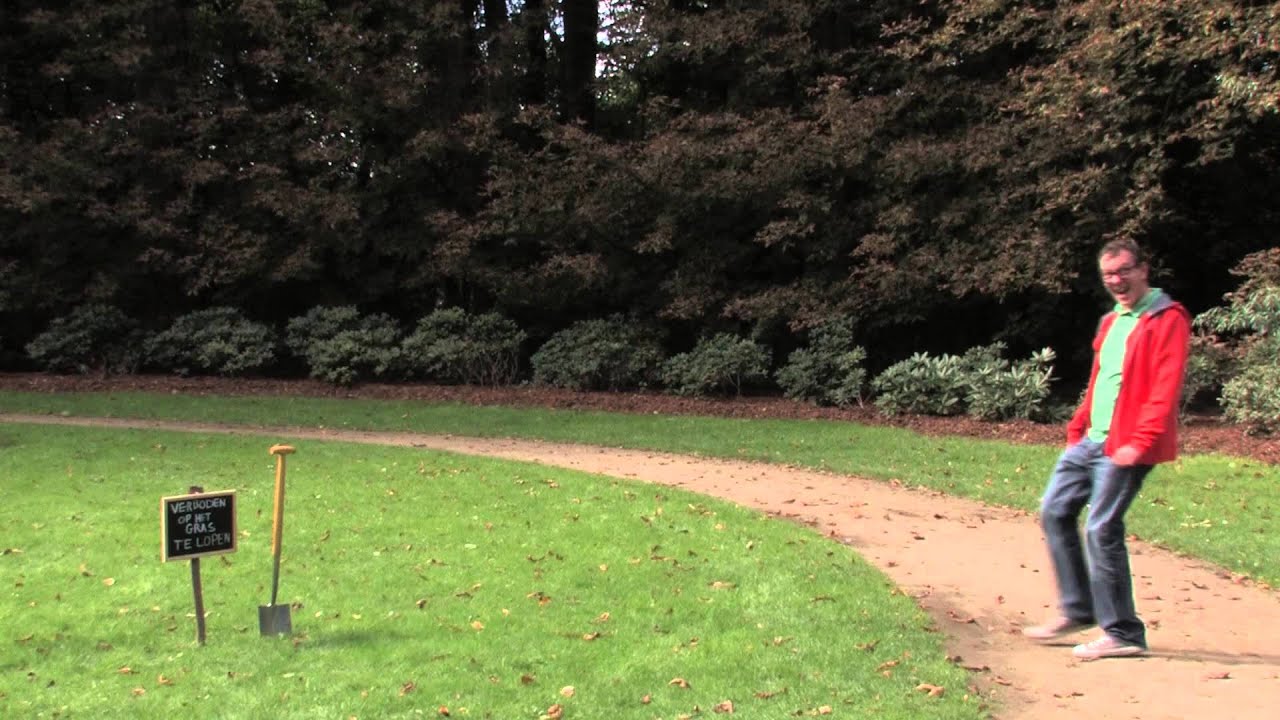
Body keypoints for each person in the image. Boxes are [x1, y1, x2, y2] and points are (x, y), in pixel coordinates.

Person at [1022, 237, 1190, 660]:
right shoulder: (1112, 321)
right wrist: (1078, 425)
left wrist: (1141, 441)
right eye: (1109, 274)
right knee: (1055, 510)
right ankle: (1078, 609)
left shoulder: (1166, 319)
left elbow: (1163, 389)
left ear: (1143, 269)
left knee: (1101, 528)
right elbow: (1102, 380)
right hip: (1091, 439)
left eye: (1124, 271)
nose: (1117, 280)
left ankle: (1123, 632)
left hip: (1128, 443)